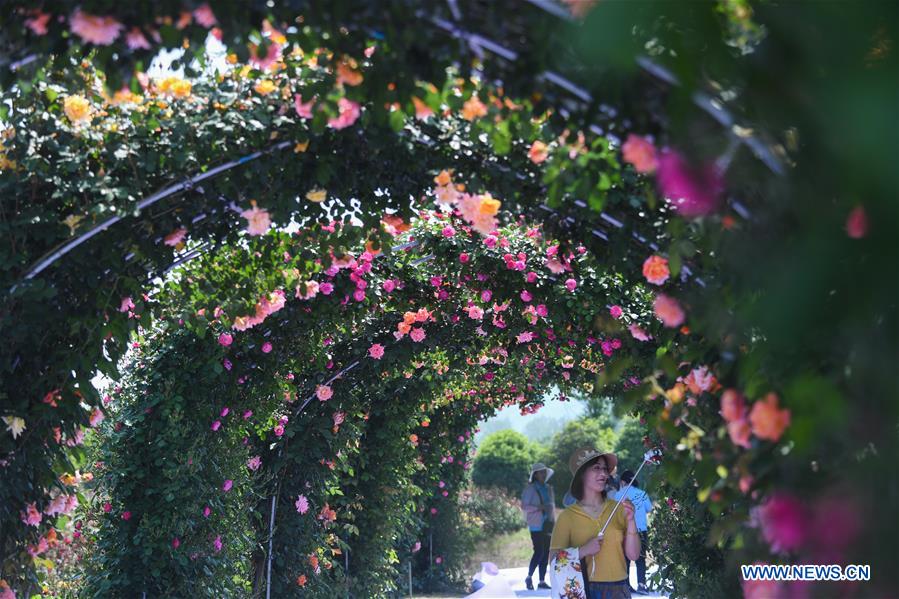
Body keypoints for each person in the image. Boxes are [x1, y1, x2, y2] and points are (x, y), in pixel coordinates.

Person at [549, 446, 640, 599]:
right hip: (584, 591)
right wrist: (582, 551)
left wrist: (631, 521)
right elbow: (553, 560)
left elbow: (634, 555)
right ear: (581, 474)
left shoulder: (618, 508)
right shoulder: (567, 517)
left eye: (605, 469)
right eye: (596, 468)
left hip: (620, 590)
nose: (604, 474)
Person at [611, 470, 653, 595]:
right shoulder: (642, 493)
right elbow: (649, 508)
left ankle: (626, 585)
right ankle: (641, 585)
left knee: (625, 559)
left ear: (623, 482)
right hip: (640, 530)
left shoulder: (617, 495)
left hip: (624, 531)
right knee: (641, 559)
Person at [521, 462, 556, 590]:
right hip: (536, 525)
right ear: (535, 475)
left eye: (544, 472)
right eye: (541, 472)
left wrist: (553, 521)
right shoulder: (530, 489)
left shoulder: (548, 488)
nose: (543, 474)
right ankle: (529, 577)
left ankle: (541, 581)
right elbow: (524, 506)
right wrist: (538, 508)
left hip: (548, 524)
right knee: (539, 551)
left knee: (546, 551)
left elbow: (551, 506)